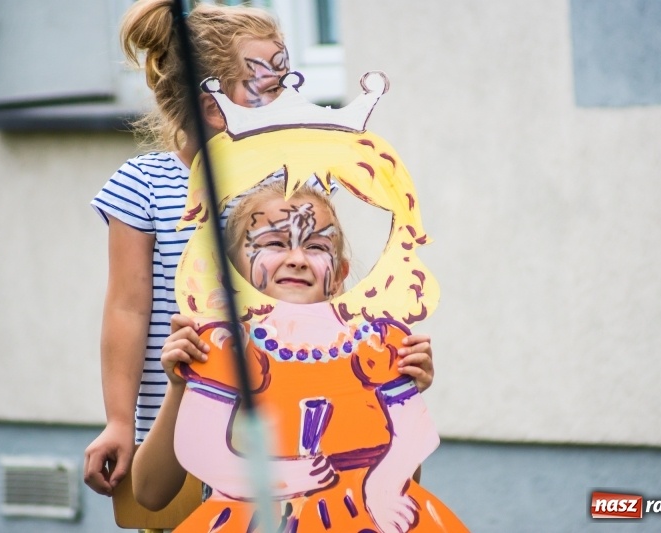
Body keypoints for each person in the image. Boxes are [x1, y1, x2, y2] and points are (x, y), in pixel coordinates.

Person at [83, 0, 435, 497]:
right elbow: (127, 307)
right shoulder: (145, 184)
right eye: (271, 88)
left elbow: (321, 299)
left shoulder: (293, 182)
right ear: (213, 107)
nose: (289, 99)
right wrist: (119, 422)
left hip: (285, 436)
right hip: (174, 430)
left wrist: (383, 371)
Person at [133, 181, 467, 532]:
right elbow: (150, 493)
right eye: (275, 243)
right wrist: (179, 387)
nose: (297, 259)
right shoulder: (223, 350)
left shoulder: (375, 348)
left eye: (317, 246)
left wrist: (407, 390)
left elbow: (404, 484)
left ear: (339, 275)